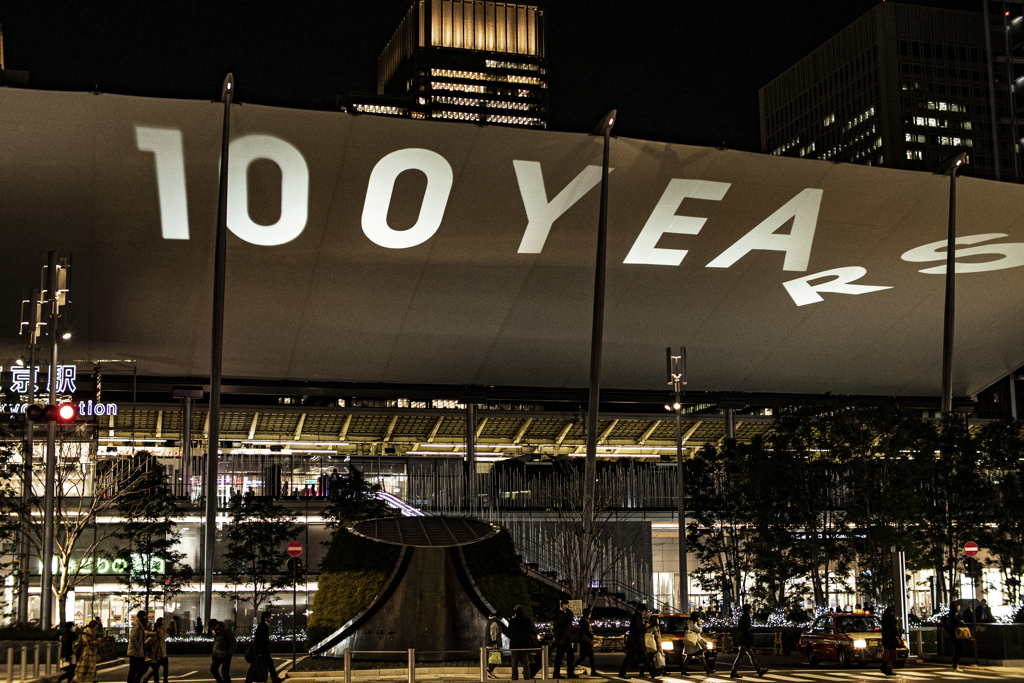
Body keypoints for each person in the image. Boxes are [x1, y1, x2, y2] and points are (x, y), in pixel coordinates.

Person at [729, 604, 767, 679]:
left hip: (744, 640)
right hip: (745, 640)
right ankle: (733, 672)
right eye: (750, 608)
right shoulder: (746, 617)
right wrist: (750, 631)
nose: (752, 610)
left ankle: (759, 671)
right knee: (741, 656)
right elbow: (745, 629)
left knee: (751, 656)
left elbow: (741, 627)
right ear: (748, 610)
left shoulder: (743, 617)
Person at [246, 611, 282, 683]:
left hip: (262, 650)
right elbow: (262, 640)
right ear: (266, 618)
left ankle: (249, 680)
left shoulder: (261, 625)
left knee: (262, 664)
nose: (270, 618)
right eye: (269, 617)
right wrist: (260, 651)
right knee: (262, 664)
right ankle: (249, 680)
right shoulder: (264, 626)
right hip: (263, 651)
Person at [618, 603, 648, 678]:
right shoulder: (636, 618)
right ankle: (653, 672)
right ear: (639, 610)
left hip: (635, 642)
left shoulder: (637, 617)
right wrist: (645, 627)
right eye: (643, 611)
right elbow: (638, 629)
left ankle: (622, 673)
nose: (644, 613)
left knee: (629, 658)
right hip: (636, 642)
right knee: (644, 657)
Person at [507, 605, 536, 681]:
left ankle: (514, 678)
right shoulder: (526, 621)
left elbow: (509, 632)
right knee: (526, 663)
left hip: (514, 644)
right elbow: (530, 631)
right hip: (524, 644)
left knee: (514, 663)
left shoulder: (512, 621)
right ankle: (527, 677)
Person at [551, 600, 575, 679]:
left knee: (566, 656)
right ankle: (560, 673)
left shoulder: (563, 614)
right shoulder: (559, 614)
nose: (568, 606)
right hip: (562, 639)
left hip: (565, 639)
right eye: (567, 605)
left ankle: (567, 672)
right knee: (560, 657)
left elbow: (570, 617)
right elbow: (568, 617)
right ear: (563, 605)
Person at [572, 608, 596, 676]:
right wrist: (591, 634)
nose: (590, 615)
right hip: (585, 642)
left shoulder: (584, 620)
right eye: (590, 614)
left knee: (588, 657)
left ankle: (593, 672)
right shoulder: (583, 621)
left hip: (585, 641)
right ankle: (572, 668)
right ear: (588, 614)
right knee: (585, 657)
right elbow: (584, 630)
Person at [127, 611, 150, 683]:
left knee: (138, 669)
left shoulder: (140, 626)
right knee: (134, 670)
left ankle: (135, 681)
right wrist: (138, 648)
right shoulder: (137, 626)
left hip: (138, 651)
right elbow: (133, 638)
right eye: (144, 617)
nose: (145, 619)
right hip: (135, 652)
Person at [485, 611, 505, 679]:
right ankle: (490, 670)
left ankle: (491, 672)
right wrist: (495, 643)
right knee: (497, 658)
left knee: (493, 659)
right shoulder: (494, 622)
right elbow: (493, 633)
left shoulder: (491, 621)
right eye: (501, 618)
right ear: (499, 617)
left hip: (491, 643)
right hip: (493, 644)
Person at [946, 603, 965, 671]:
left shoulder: (950, 615)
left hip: (953, 634)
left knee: (957, 649)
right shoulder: (956, 615)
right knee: (959, 649)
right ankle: (955, 665)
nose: (959, 607)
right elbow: (958, 623)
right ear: (956, 607)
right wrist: (962, 622)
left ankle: (955, 664)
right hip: (957, 634)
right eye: (958, 606)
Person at [880, 606, 898, 676]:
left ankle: (886, 667)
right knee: (890, 654)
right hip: (890, 639)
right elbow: (893, 629)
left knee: (887, 654)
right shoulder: (890, 619)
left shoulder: (885, 619)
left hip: (886, 639)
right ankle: (887, 668)